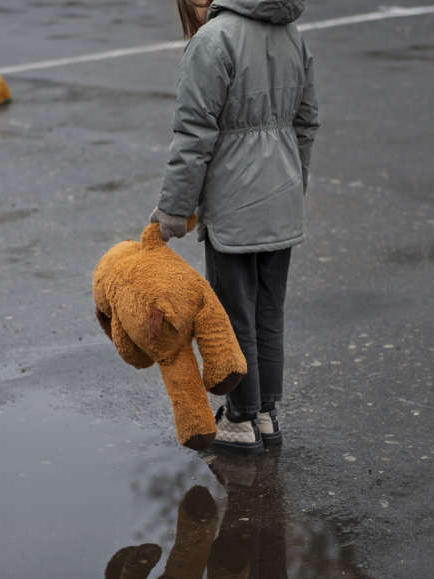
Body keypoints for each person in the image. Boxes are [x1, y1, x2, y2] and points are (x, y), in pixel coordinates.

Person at [149, 0, 318, 454]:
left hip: (234, 203)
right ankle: (265, 411)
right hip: (280, 198)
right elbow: (306, 122)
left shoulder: (212, 41)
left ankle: (240, 419)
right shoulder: (291, 34)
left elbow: (193, 134)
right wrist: (291, 186)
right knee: (268, 312)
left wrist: (172, 210)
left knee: (232, 315)